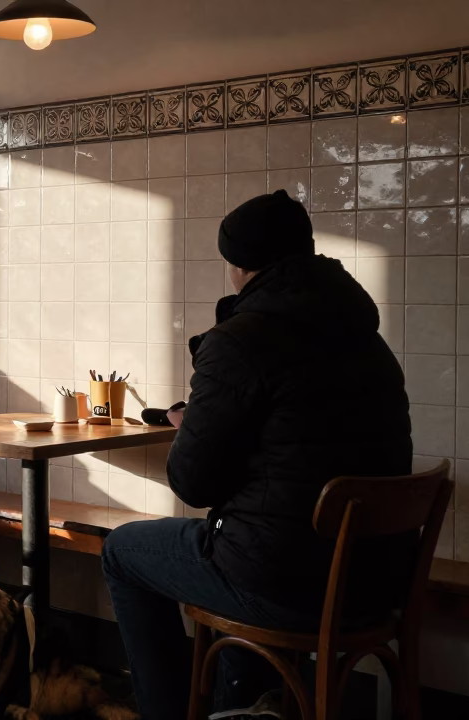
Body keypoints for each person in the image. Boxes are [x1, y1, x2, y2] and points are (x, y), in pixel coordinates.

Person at [101, 189, 412, 720]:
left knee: (124, 551)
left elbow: (193, 484)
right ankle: (245, 707)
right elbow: (299, 451)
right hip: (376, 581)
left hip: (286, 584)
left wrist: (192, 423)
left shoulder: (241, 339)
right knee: (258, 543)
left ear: (238, 265)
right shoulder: (367, 339)